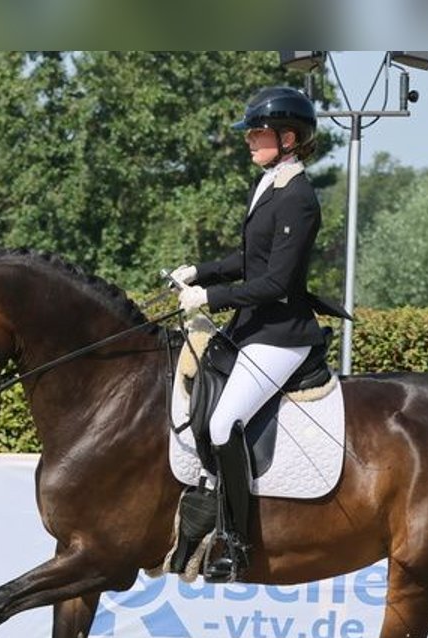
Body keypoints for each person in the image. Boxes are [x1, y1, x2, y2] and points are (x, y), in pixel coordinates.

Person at [168, 85, 336, 583]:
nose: (249, 140)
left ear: (288, 138)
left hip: (282, 333)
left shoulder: (300, 197)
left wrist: (211, 300)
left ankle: (236, 544)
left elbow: (277, 282)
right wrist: (203, 271)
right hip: (254, 327)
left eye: (257, 133)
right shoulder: (271, 183)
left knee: (224, 425)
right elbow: (250, 260)